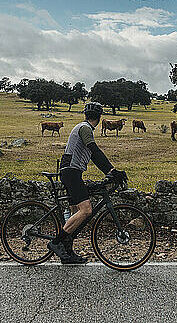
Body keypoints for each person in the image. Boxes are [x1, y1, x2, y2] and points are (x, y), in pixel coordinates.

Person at [47, 101, 127, 264]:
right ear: (99, 117)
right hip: (71, 173)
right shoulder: (85, 128)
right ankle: (56, 243)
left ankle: (68, 252)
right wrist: (113, 171)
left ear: (85, 114)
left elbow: (93, 156)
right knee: (86, 210)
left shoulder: (83, 128)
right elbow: (95, 151)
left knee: (75, 213)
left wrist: (109, 172)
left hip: (70, 171)